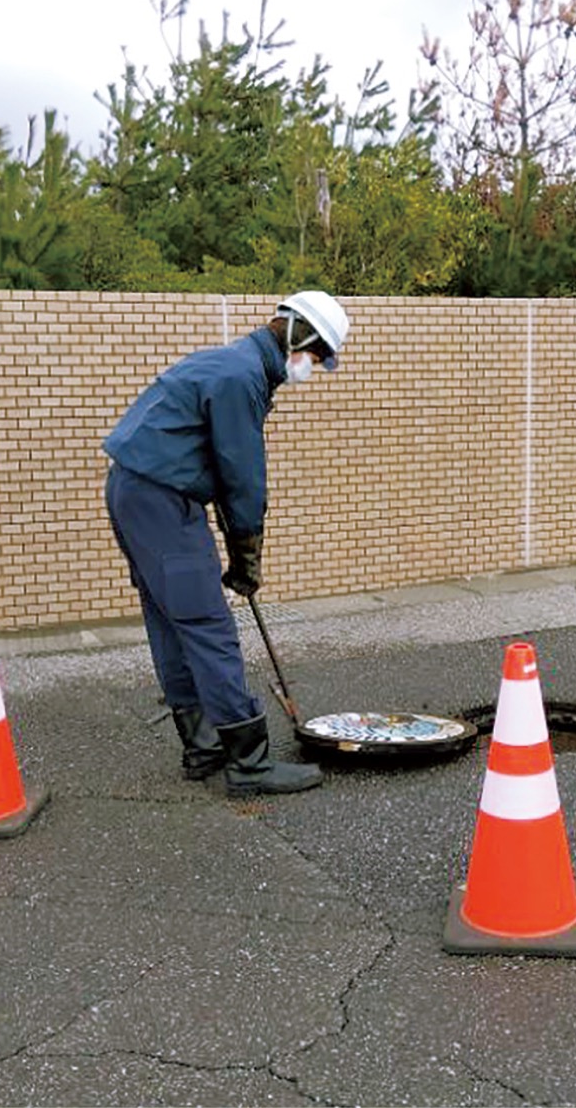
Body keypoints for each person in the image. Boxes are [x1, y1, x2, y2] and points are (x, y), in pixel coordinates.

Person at [103, 291, 350, 796]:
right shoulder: (242, 377)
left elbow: (215, 461)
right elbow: (242, 478)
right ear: (299, 334)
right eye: (317, 353)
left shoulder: (231, 362)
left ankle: (204, 746)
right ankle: (249, 763)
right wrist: (246, 556)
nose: (314, 365)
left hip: (137, 492)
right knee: (207, 624)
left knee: (173, 621)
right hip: (161, 501)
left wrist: (237, 549)